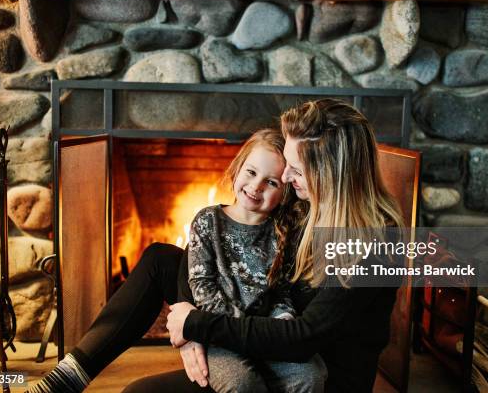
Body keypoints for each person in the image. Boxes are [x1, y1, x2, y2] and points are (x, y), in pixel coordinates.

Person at [28, 99, 403, 393]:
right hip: (266, 348)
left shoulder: (374, 245)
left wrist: (198, 325)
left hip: (312, 378)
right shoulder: (312, 206)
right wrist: (192, 330)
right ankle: (68, 378)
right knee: (161, 257)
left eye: (295, 171)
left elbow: (302, 339)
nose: (285, 178)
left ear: (330, 173)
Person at [186, 129, 326, 393]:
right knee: (241, 383)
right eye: (251, 173)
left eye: (271, 182)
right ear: (238, 168)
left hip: (267, 334)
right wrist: (241, 327)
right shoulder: (208, 221)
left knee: (311, 375)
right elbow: (203, 288)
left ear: (285, 193)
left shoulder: (282, 231)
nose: (256, 186)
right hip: (220, 335)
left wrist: (283, 317)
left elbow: (282, 292)